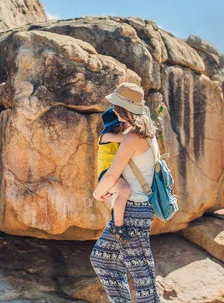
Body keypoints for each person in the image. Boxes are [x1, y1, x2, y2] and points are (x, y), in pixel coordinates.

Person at [90, 82, 162, 302]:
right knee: (102, 259)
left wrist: (96, 194)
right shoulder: (145, 134)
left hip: (134, 211)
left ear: (122, 109)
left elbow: (112, 175)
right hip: (135, 209)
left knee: (142, 275)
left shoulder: (132, 137)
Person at [97, 107, 132, 241]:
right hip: (106, 174)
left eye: (119, 125)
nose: (118, 128)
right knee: (124, 189)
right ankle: (117, 226)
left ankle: (116, 220)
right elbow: (124, 138)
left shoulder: (117, 137)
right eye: (115, 126)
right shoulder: (105, 136)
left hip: (116, 173)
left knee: (122, 193)